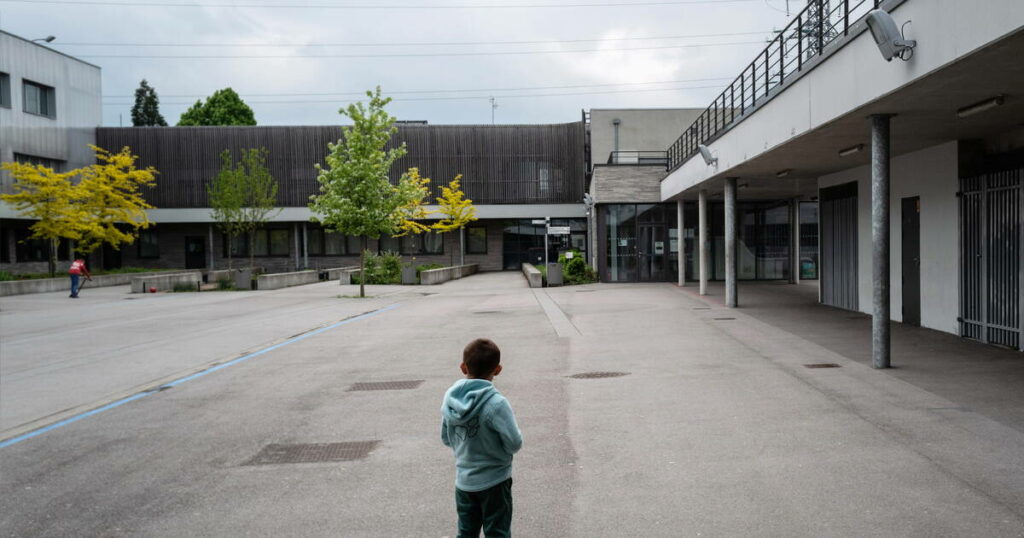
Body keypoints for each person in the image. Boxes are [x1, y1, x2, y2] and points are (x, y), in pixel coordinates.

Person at [441, 338, 522, 538]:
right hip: (495, 481)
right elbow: (514, 443)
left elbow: (446, 438)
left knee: (466, 532)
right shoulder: (497, 403)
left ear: (463, 367)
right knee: (497, 532)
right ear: (497, 369)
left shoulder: (450, 400)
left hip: (464, 481)